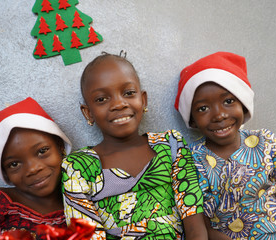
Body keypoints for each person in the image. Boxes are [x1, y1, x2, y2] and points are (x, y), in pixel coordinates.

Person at [62, 52, 207, 239]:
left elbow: (194, 218)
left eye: (128, 93)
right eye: (101, 99)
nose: (119, 104)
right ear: (88, 113)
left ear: (143, 100)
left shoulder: (171, 145)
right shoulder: (77, 167)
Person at [174, 51, 276, 239]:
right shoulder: (190, 160)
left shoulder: (267, 142)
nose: (219, 115)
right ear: (192, 120)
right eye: (203, 108)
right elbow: (199, 226)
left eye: (228, 101)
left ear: (243, 105)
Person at [0, 97, 72, 239]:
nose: (33, 169)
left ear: (60, 146)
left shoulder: (83, 199)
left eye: (42, 151)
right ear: (4, 172)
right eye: (14, 164)